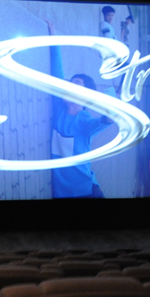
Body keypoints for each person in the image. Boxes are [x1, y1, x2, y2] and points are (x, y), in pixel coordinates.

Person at [46, 20, 115, 199]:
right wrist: (53, 38)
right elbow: (56, 71)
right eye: (70, 83)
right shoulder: (60, 107)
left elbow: (107, 120)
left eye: (75, 84)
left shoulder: (84, 122)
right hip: (64, 194)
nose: (69, 86)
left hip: (86, 193)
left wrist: (112, 103)